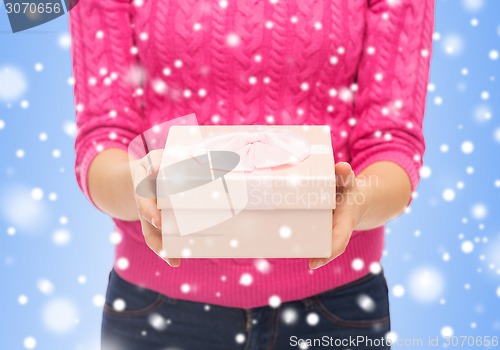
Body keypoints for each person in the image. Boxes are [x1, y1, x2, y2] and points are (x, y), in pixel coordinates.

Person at [68, 0, 434, 349]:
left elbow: (392, 143)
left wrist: (357, 201)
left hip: (335, 309)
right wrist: (138, 185)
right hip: (157, 311)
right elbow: (103, 138)